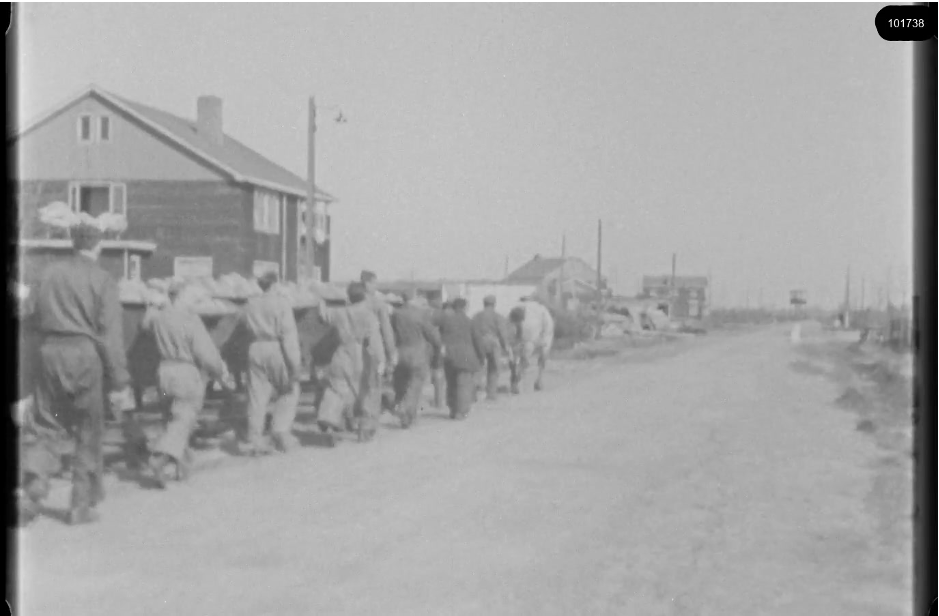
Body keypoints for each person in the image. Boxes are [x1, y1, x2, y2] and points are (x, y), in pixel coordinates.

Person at [20, 220, 133, 525]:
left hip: (49, 352)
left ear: (73, 243)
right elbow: (111, 334)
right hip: (84, 355)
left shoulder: (47, 273)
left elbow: (28, 316)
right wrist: (120, 380)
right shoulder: (102, 279)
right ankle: (80, 505)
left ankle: (33, 489)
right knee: (88, 429)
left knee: (46, 424)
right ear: (98, 245)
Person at [141, 281, 235, 488]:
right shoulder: (190, 319)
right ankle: (160, 458)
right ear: (183, 296)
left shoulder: (158, 318)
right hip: (185, 372)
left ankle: (182, 468)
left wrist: (153, 306)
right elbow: (206, 354)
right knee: (184, 418)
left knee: (172, 420)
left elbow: (145, 325)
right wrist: (220, 372)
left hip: (163, 372)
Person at [238, 271, 303, 455]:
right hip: (276, 348)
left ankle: (254, 438)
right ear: (275, 284)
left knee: (257, 395)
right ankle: (280, 430)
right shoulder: (282, 303)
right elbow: (289, 335)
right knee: (289, 389)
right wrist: (295, 365)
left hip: (255, 347)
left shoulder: (250, 304)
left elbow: (243, 323)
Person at [315, 282, 383, 444]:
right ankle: (363, 429)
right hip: (360, 356)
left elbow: (323, 315)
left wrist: (320, 300)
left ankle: (329, 422)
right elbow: (374, 342)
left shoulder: (340, 313)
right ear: (364, 296)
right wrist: (379, 360)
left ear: (349, 297)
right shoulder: (368, 315)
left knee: (335, 389)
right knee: (364, 392)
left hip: (340, 354)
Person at [390, 291, 443, 428]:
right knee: (415, 385)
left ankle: (408, 418)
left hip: (401, 352)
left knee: (401, 385)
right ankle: (404, 408)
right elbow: (432, 335)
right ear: (414, 298)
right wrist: (437, 346)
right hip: (418, 353)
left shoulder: (396, 313)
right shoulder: (421, 314)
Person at [434, 297, 485, 420]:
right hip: (466, 356)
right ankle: (460, 412)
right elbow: (478, 341)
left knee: (451, 383)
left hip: (449, 355)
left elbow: (437, 335)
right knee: (464, 385)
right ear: (465, 307)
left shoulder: (445, 321)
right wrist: (481, 356)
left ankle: (452, 409)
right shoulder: (470, 322)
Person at [360, 270, 397, 432]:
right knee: (373, 387)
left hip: (353, 351)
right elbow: (387, 331)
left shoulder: (351, 302)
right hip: (373, 351)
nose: (375, 286)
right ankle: (368, 425)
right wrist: (391, 353)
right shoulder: (377, 304)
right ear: (368, 283)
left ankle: (354, 418)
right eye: (374, 283)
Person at [508, 295, 555, 394]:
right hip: (534, 333)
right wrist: (544, 338)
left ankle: (515, 381)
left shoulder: (515, 307)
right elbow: (548, 325)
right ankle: (539, 379)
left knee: (517, 357)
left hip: (517, 333)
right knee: (542, 355)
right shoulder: (540, 308)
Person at [471, 295, 513, 402]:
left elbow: (471, 330)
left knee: (478, 367)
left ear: (484, 303)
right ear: (494, 304)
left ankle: (474, 393)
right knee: (494, 368)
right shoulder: (497, 316)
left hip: (478, 342)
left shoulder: (476, 316)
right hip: (493, 343)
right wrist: (505, 346)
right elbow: (502, 333)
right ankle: (491, 393)